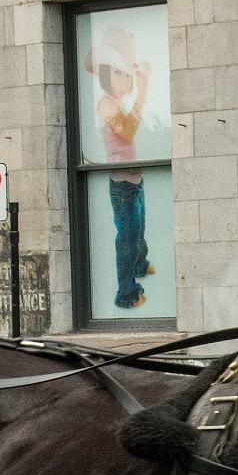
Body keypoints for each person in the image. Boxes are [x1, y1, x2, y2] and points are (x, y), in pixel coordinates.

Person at [88, 26, 154, 310]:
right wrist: (143, 92)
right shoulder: (105, 104)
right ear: (104, 72)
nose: (125, 81)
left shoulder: (116, 102)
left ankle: (140, 265)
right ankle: (126, 293)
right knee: (127, 238)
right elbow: (127, 132)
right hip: (122, 185)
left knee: (139, 230)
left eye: (127, 74)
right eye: (118, 73)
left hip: (133, 180)